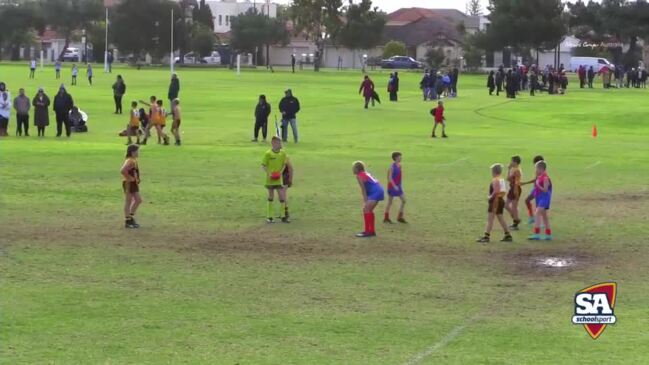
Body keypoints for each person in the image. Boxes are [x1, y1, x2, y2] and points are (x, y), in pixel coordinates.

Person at [476, 163, 513, 243]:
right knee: (500, 217)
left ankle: (486, 236)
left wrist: (490, 197)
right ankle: (508, 235)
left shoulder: (495, 180)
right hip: (500, 200)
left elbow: (496, 191)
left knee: (490, 219)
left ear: (494, 171)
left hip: (495, 201)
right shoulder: (501, 179)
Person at [261, 137, 290, 224]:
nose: (280, 144)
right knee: (271, 197)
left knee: (281, 197)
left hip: (278, 180)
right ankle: (269, 216)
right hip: (270, 180)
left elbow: (285, 164)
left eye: (280, 142)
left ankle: (283, 216)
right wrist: (269, 173)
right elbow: (263, 165)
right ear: (273, 143)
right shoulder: (268, 154)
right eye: (278, 143)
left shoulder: (283, 153)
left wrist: (280, 173)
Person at [353, 161, 384, 238]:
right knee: (367, 210)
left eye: (354, 168)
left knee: (366, 209)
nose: (353, 169)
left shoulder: (359, 176)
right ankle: (371, 231)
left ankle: (368, 232)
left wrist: (365, 200)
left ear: (357, 169)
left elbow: (363, 189)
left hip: (375, 192)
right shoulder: (366, 173)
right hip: (379, 190)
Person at [528, 160, 553, 241]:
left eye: (537, 169)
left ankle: (537, 234)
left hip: (544, 197)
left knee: (537, 213)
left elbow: (545, 190)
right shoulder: (539, 177)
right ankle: (548, 235)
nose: (536, 170)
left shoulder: (545, 178)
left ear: (541, 169)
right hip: (540, 197)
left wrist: (538, 185)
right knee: (544, 216)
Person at [121, 144, 143, 229]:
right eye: (138, 151)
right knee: (128, 201)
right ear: (133, 152)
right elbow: (123, 170)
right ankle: (128, 220)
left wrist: (136, 179)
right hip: (128, 183)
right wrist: (130, 178)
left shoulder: (133, 160)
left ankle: (130, 217)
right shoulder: (130, 161)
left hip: (133, 183)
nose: (139, 152)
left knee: (138, 200)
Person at [520, 155, 545, 225]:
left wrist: (524, 183)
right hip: (536, 189)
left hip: (538, 189)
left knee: (537, 205)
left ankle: (538, 221)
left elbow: (535, 180)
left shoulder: (539, 170)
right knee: (531, 202)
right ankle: (533, 218)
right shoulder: (541, 169)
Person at [384, 152, 406, 224]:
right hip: (392, 187)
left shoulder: (400, 166)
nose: (401, 158)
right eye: (400, 157)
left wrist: (399, 185)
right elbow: (389, 178)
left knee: (404, 200)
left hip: (398, 186)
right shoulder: (391, 167)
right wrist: (394, 186)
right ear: (396, 157)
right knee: (390, 202)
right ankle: (386, 218)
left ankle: (400, 217)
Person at [505, 156, 523, 230]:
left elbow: (516, 183)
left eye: (511, 161)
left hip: (515, 189)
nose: (510, 162)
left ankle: (515, 224)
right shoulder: (513, 169)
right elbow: (508, 179)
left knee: (514, 207)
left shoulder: (517, 171)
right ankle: (516, 219)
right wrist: (509, 169)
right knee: (506, 205)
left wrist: (516, 192)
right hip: (512, 188)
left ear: (515, 162)